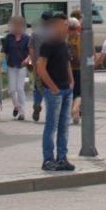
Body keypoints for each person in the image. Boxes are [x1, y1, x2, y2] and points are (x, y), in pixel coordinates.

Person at [36, 13, 75, 172]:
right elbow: (41, 68)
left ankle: (62, 158)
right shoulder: (48, 44)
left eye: (67, 25)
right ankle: (48, 159)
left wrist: (71, 81)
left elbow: (66, 63)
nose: (66, 28)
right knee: (51, 125)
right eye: (63, 25)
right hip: (55, 92)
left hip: (66, 90)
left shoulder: (64, 44)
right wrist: (53, 88)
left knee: (64, 126)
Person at [28, 12, 53, 122]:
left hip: (38, 64)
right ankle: (50, 110)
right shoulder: (54, 33)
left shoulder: (35, 33)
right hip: (52, 64)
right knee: (50, 86)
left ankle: (37, 103)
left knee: (38, 86)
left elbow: (31, 50)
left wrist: (33, 64)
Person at [3, 16, 30, 121]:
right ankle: (16, 106)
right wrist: (6, 64)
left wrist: (27, 60)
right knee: (12, 89)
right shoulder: (9, 37)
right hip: (11, 65)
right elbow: (6, 52)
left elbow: (30, 52)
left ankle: (22, 112)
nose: (17, 27)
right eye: (15, 25)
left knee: (19, 88)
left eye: (19, 25)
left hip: (22, 66)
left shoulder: (26, 38)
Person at [67, 17, 82, 124]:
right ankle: (75, 109)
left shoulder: (65, 38)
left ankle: (74, 114)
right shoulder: (82, 38)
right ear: (78, 27)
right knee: (80, 92)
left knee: (70, 91)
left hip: (67, 69)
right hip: (80, 68)